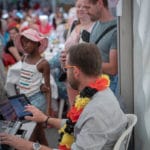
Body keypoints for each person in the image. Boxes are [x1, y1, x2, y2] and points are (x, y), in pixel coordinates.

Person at [0, 43, 128, 150]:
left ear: (76, 72)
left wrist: (29, 146)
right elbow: (76, 124)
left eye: (66, 68)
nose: (65, 72)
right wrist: (45, 119)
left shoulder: (95, 112)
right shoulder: (100, 93)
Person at [60, 0, 95, 106]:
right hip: (70, 76)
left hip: (86, 78)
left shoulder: (95, 27)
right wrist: (63, 58)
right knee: (74, 110)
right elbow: (66, 48)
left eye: (84, 6)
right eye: (78, 6)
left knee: (86, 109)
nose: (80, 9)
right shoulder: (74, 25)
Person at [14, 28, 52, 115]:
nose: (25, 46)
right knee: (29, 125)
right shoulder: (24, 58)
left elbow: (48, 88)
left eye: (27, 42)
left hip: (36, 99)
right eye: (23, 43)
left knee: (36, 125)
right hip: (23, 98)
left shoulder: (43, 63)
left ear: (36, 43)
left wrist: (48, 109)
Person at [86, 0, 118, 95]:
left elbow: (113, 68)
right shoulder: (96, 25)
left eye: (88, 7)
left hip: (107, 89)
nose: (87, 11)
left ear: (100, 4)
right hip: (94, 85)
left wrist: (85, 64)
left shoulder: (116, 31)